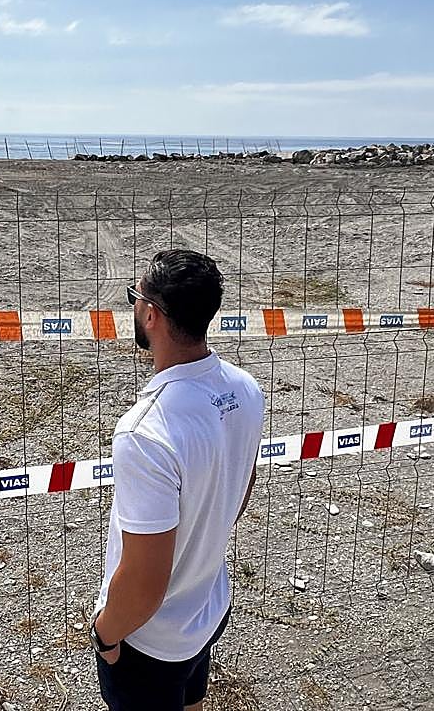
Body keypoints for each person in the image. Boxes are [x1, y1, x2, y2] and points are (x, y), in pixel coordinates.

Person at [91, 249, 265, 711]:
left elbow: (145, 585)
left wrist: (105, 633)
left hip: (152, 641)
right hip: (208, 605)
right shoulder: (245, 388)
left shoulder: (145, 432)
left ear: (151, 314)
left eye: (135, 298)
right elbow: (239, 492)